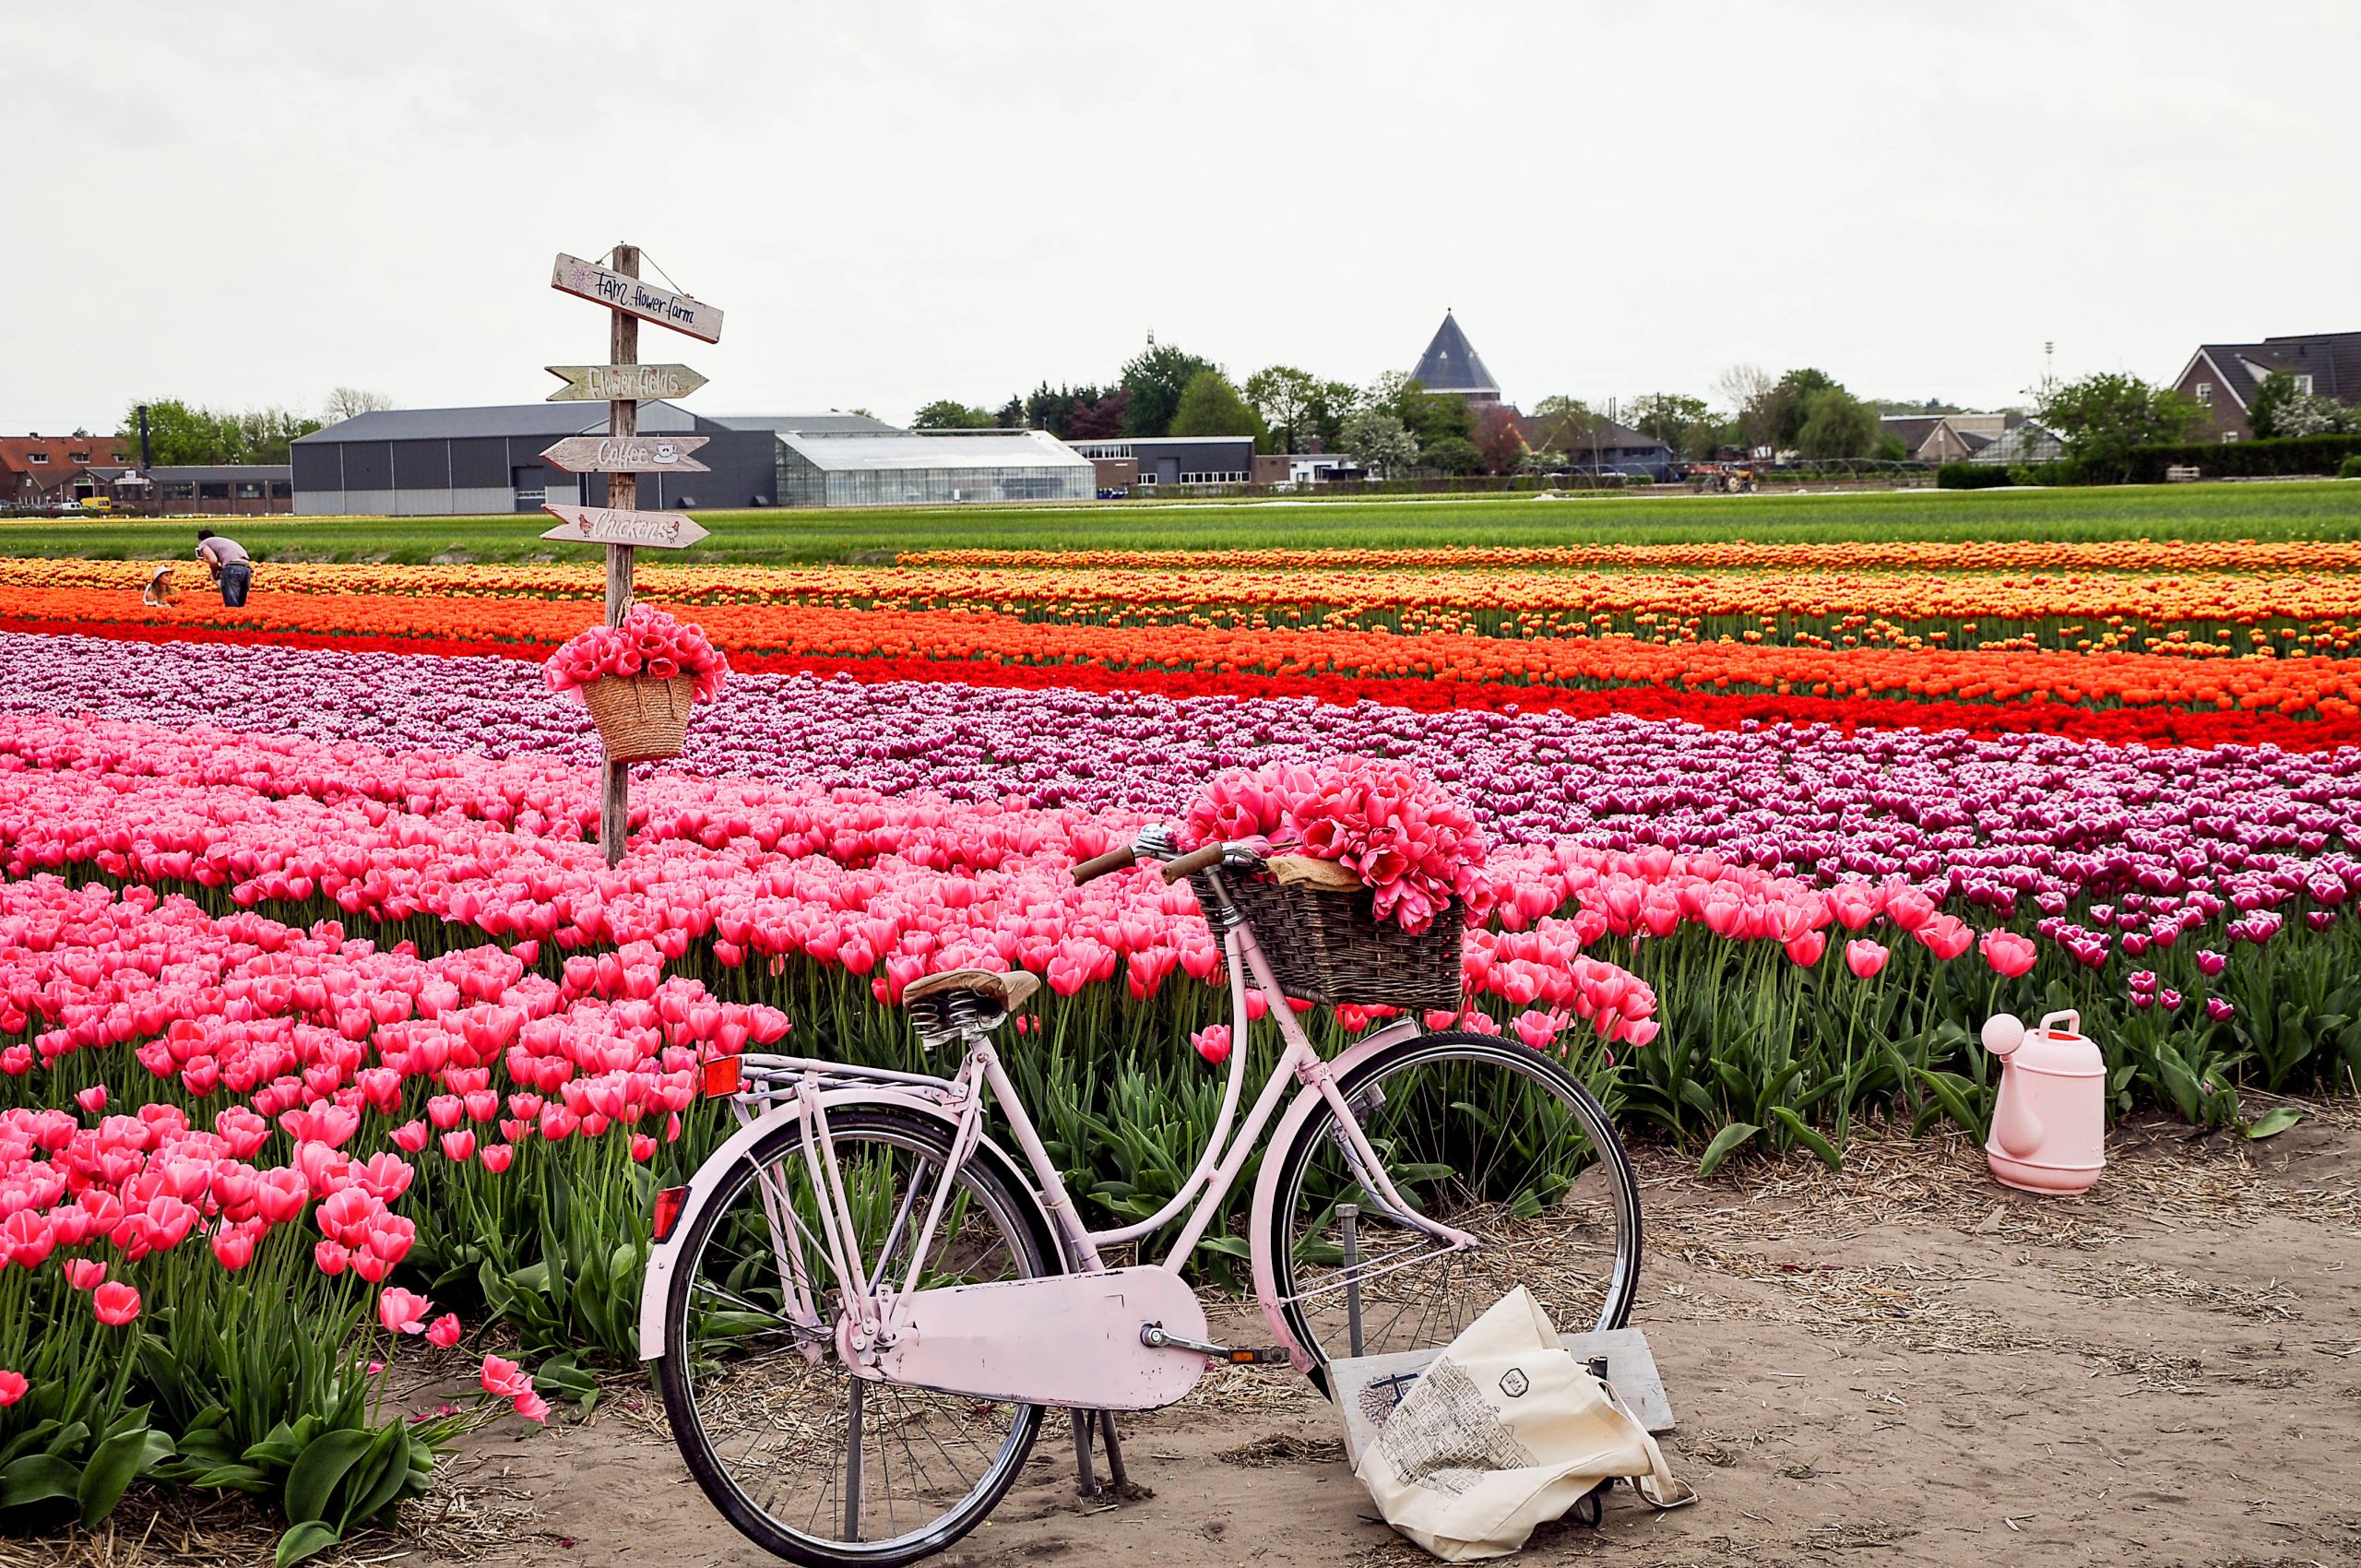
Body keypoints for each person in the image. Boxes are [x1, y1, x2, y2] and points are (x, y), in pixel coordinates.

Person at [196, 529, 252, 607]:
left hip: (232, 568)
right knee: (240, 606)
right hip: (246, 568)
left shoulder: (204, 543)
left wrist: (214, 576)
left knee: (232, 606)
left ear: (200, 539)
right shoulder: (222, 541)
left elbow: (213, 561)